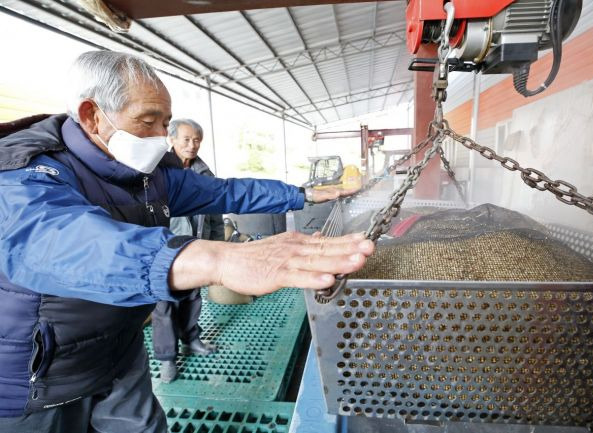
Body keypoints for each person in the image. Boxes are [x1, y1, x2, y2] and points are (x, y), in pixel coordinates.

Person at [0, 51, 373, 433]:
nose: (163, 139)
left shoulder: (148, 175)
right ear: (92, 116)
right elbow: (63, 242)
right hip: (36, 380)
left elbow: (228, 192)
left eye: (165, 123)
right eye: (148, 121)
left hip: (120, 353)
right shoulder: (26, 172)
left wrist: (303, 194)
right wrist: (220, 260)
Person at [153, 118, 222, 383]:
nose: (192, 145)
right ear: (171, 139)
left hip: (195, 247)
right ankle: (168, 358)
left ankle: (191, 340)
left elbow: (215, 209)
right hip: (165, 251)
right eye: (186, 139)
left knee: (193, 298)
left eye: (197, 140)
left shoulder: (203, 172)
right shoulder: (156, 171)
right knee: (165, 305)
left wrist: (216, 244)